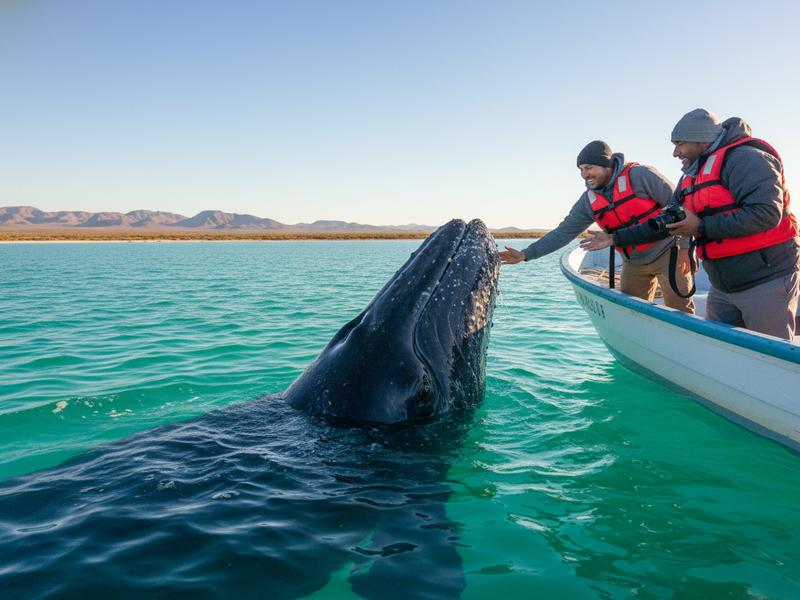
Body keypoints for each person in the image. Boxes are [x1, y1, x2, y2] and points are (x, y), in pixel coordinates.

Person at [607, 109, 800, 341]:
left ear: (701, 139)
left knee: (769, 359)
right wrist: (614, 239)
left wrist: (700, 227)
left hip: (766, 279)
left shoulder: (747, 158)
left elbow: (766, 213)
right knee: (719, 350)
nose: (675, 152)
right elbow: (665, 222)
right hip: (722, 286)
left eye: (680, 144)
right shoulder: (691, 175)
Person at [500, 140, 695, 313]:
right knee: (630, 314)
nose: (584, 175)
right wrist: (526, 254)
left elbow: (680, 208)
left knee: (680, 312)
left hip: (670, 252)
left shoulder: (641, 175)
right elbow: (563, 232)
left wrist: (686, 248)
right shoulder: (588, 201)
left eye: (589, 168)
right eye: (581, 170)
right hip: (633, 261)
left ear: (607, 165)